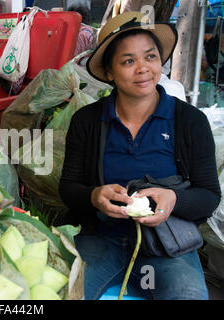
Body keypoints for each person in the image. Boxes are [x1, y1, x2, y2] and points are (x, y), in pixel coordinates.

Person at [59, 12, 221, 300]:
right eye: (128, 61)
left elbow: (208, 195)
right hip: (101, 239)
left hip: (167, 246)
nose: (143, 69)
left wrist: (174, 199)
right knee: (61, 292)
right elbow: (68, 188)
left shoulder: (190, 121)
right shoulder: (87, 122)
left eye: (150, 57)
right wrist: (93, 196)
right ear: (109, 72)